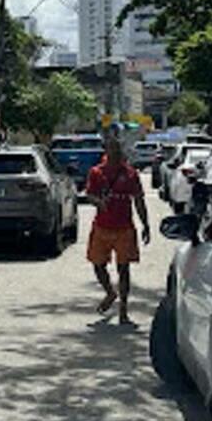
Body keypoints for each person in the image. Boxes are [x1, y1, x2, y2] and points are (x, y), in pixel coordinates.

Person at [85, 136, 151, 324]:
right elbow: (89, 194)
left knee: (124, 269)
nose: (115, 152)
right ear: (106, 150)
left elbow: (138, 199)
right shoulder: (96, 172)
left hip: (124, 228)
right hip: (102, 226)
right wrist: (99, 202)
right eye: (111, 148)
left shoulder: (130, 174)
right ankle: (110, 292)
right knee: (98, 265)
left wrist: (146, 224)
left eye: (118, 148)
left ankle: (123, 310)